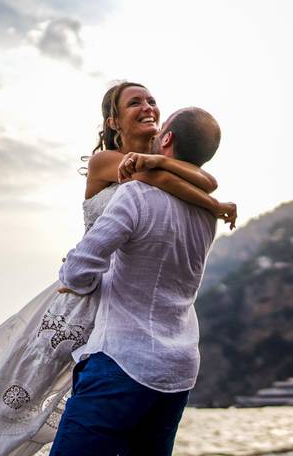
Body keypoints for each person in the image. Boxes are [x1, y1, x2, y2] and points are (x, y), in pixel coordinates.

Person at [0, 82, 235, 456]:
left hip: (114, 311)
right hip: (78, 300)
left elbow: (199, 180)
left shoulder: (161, 174)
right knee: (12, 400)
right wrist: (208, 201)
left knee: (75, 410)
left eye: (152, 100)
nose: (148, 106)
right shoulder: (110, 162)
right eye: (135, 102)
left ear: (167, 135)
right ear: (114, 120)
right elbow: (164, 181)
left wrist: (193, 185)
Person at [49, 106, 223, 455]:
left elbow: (79, 270)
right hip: (177, 371)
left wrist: (74, 278)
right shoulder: (207, 212)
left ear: (168, 139)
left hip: (122, 360)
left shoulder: (137, 194)